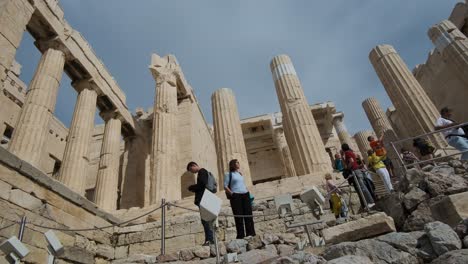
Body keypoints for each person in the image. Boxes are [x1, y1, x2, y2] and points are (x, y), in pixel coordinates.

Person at [224, 159, 256, 239]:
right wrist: (232, 194)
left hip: (245, 194)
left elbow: (242, 184)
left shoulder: (240, 174)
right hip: (236, 196)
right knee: (238, 216)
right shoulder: (228, 174)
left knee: (248, 214)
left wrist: (247, 191)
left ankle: (251, 233)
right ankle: (240, 235)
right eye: (237, 162)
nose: (238, 163)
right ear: (233, 164)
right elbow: (225, 186)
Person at [187, 161, 215, 246]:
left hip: (203, 198)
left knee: (205, 220)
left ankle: (209, 240)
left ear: (194, 165)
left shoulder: (202, 171)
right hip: (206, 198)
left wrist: (192, 187)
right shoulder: (203, 172)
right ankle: (210, 239)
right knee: (206, 220)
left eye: (191, 170)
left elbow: (202, 185)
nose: (192, 172)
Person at [341, 144, 375, 209]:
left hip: (355, 171)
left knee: (362, 187)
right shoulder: (350, 152)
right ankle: (367, 202)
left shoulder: (347, 153)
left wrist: (348, 167)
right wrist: (343, 157)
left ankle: (371, 202)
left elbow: (351, 161)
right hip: (357, 170)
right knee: (362, 187)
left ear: (343, 149)